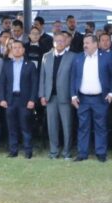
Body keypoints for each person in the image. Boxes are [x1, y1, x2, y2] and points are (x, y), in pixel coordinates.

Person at [71, 34, 112, 163]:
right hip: (82, 99)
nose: (85, 45)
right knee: (83, 126)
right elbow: (73, 77)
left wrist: (111, 93)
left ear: (96, 44)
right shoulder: (78, 57)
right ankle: (82, 153)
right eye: (84, 43)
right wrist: (73, 95)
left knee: (100, 126)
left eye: (88, 43)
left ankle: (101, 153)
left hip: (100, 98)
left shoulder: (106, 57)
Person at [0, 39, 39, 158]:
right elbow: (2, 83)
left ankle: (28, 151)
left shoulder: (30, 65)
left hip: (25, 100)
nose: (17, 50)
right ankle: (13, 151)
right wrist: (2, 99)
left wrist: (32, 100)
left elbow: (34, 84)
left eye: (19, 47)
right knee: (12, 127)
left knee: (25, 127)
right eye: (14, 48)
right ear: (11, 50)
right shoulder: (7, 65)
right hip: (10, 100)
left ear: (23, 49)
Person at [41, 32, 76, 160]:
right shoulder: (46, 56)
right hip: (50, 97)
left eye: (62, 41)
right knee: (52, 126)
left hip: (66, 97)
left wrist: (73, 96)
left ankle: (67, 152)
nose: (60, 43)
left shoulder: (72, 57)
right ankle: (54, 151)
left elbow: (74, 78)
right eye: (57, 41)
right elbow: (42, 77)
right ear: (53, 42)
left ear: (66, 42)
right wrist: (42, 95)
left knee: (67, 126)